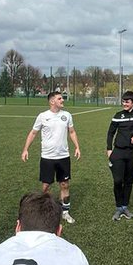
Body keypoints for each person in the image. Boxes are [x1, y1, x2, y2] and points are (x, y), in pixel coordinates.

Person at [22, 92, 81, 223]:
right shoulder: (43, 116)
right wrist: (25, 149)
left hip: (63, 156)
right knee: (45, 186)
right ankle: (44, 210)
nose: (62, 100)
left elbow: (72, 132)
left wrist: (77, 147)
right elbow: (33, 133)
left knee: (65, 185)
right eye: (59, 98)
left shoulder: (67, 115)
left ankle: (65, 212)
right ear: (52, 101)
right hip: (47, 157)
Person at [106, 91, 133, 220]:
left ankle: (124, 207)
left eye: (127, 101)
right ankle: (118, 207)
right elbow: (110, 133)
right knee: (118, 180)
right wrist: (109, 149)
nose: (124, 103)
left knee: (129, 181)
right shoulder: (118, 115)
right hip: (118, 152)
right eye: (123, 101)